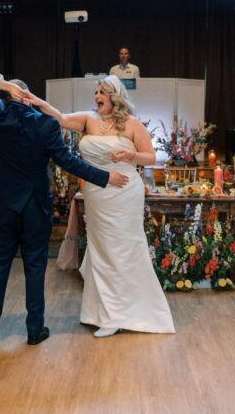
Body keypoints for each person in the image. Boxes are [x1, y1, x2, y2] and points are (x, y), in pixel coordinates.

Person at [0, 72, 128, 350]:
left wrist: (1, 82)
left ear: (7, 95)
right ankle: (34, 330)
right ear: (27, 97)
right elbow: (69, 162)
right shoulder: (45, 126)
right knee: (34, 266)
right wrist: (106, 178)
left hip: (3, 206)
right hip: (34, 208)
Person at [28, 74, 175, 337]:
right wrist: (34, 99)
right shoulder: (87, 119)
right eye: (95, 93)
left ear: (114, 97)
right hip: (97, 192)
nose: (97, 97)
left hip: (124, 191)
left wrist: (131, 155)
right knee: (101, 248)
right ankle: (101, 312)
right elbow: (58, 117)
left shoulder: (132, 124)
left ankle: (123, 312)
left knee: (124, 248)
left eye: (102, 93)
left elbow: (151, 157)